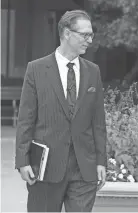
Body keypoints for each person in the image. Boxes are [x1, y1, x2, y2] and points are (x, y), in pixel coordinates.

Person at [15, 10, 107, 212]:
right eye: (84, 35)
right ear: (66, 33)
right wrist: (23, 161)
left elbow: (98, 122)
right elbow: (25, 119)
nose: (89, 40)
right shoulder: (36, 69)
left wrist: (101, 162)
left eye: (91, 35)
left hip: (84, 168)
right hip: (46, 167)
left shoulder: (93, 71)